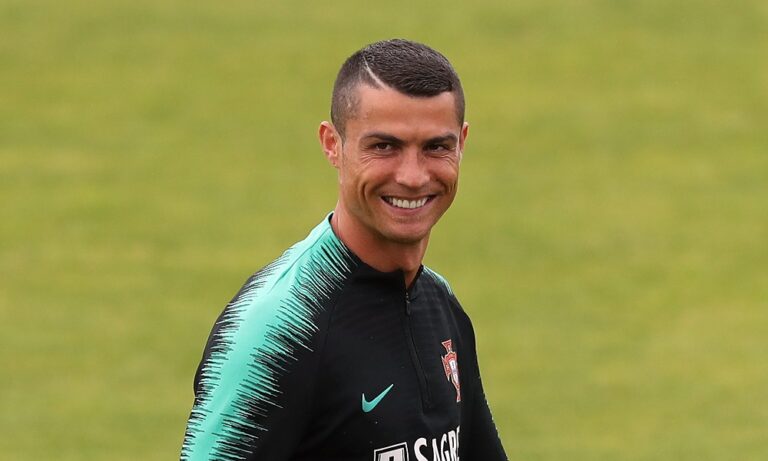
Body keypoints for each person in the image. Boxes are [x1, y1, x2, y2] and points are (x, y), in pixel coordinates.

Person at [180, 39, 508, 461]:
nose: (412, 176)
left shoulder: (441, 306)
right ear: (332, 144)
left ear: (461, 144)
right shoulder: (278, 329)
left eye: (435, 147)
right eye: (384, 146)